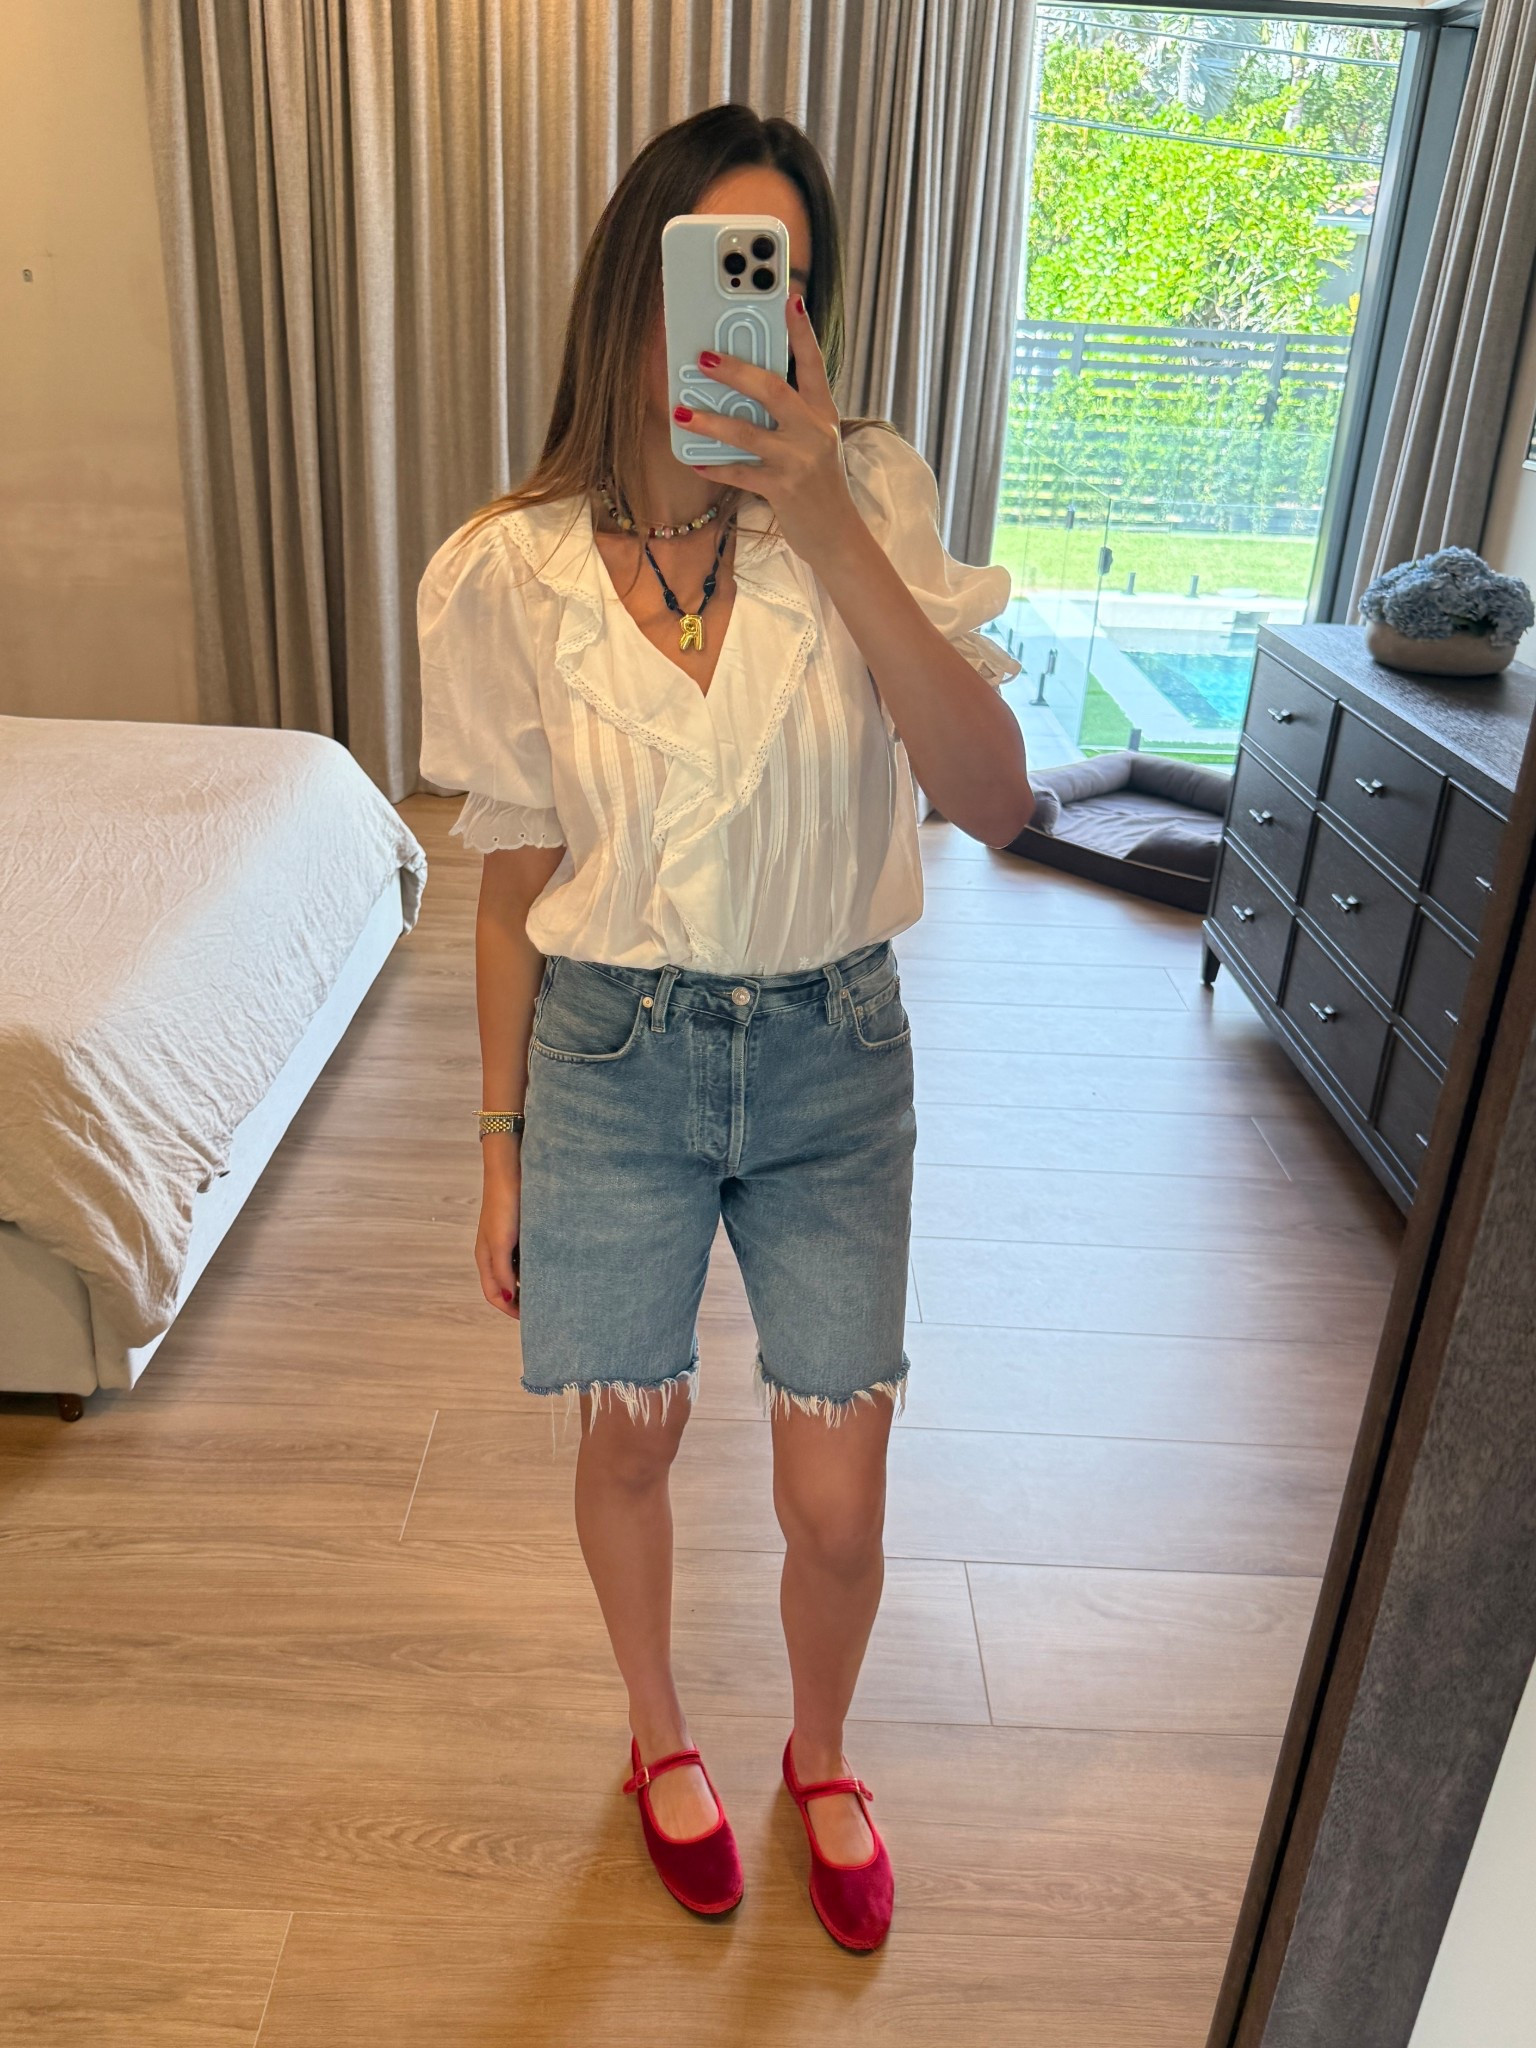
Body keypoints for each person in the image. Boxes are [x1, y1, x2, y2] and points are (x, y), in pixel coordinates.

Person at [417, 102, 1031, 1953]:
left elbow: (996, 800)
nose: (751, 327)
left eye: (785, 287)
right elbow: (515, 878)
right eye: (718, 277)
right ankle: (658, 1734)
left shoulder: (873, 496)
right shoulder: (506, 568)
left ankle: (822, 1757)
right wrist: (500, 1145)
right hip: (612, 1059)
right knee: (633, 1434)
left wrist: (828, 521)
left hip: (837, 1053)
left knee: (838, 1499)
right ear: (639, 287)